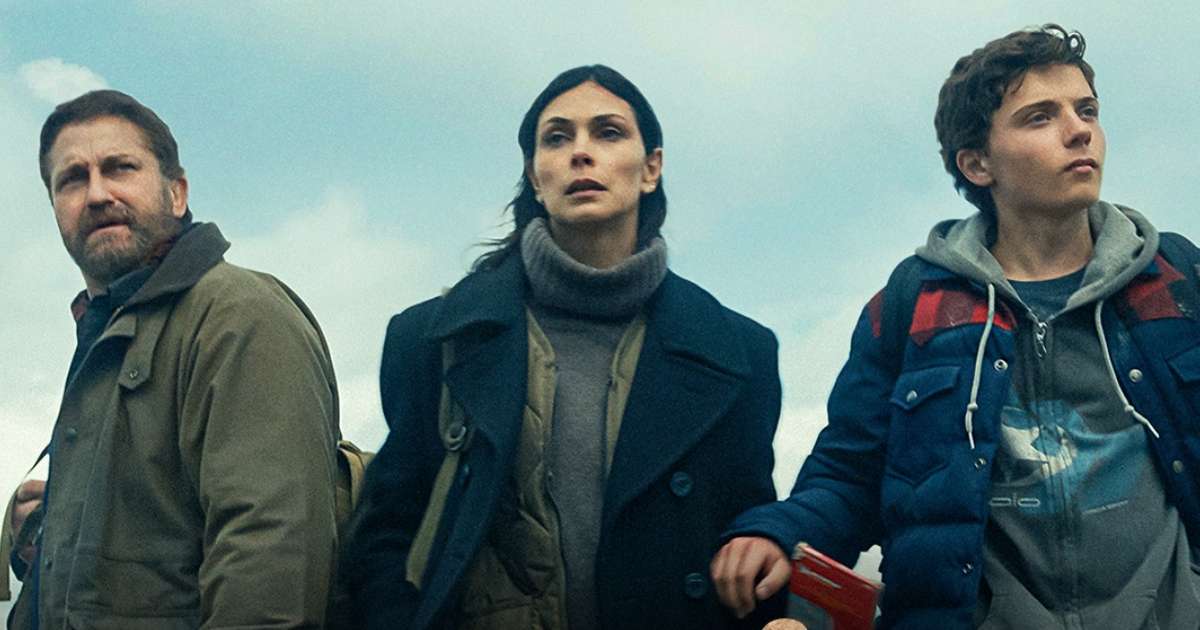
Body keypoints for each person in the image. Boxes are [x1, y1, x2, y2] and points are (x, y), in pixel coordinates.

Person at [713, 24, 1200, 629]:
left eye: (1087, 110)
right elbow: (850, 472)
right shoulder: (913, 302)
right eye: (1040, 117)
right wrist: (777, 532)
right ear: (977, 163)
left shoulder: (1177, 276)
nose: (1080, 131)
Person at [346, 65, 786, 629]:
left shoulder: (739, 353)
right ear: (535, 176)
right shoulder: (436, 339)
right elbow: (388, 534)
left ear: (651, 168)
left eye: (608, 132)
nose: (581, 152)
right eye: (557, 137)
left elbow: (749, 543)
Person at [3, 90, 340, 629]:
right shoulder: (108, 334)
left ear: (177, 193)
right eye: (72, 180)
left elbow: (268, 553)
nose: (97, 194)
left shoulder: (238, 314)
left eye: (120, 168)